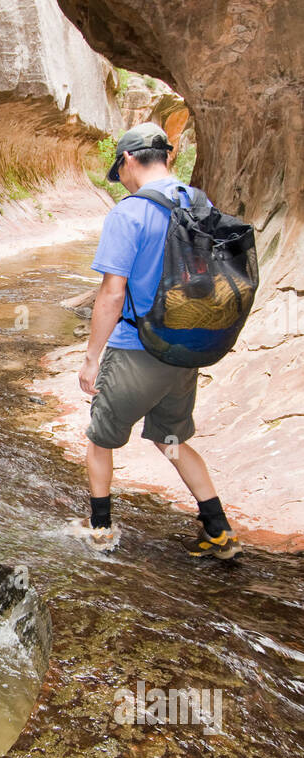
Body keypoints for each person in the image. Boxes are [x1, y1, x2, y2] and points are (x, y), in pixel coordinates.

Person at [76, 122, 241, 559]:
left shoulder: (128, 213)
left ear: (128, 159)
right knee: (170, 440)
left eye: (121, 170)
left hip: (136, 349)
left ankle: (100, 528)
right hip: (186, 347)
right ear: (167, 156)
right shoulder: (198, 201)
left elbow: (112, 294)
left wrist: (92, 358)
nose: (123, 179)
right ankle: (218, 530)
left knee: (101, 439)